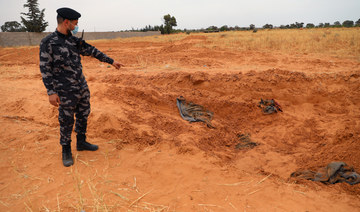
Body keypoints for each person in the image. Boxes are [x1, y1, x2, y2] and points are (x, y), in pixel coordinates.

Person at [39, 7, 124, 167]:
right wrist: (51, 92)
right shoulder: (48, 42)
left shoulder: (73, 40)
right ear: (66, 22)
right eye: (75, 23)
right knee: (66, 119)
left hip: (81, 86)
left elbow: (91, 50)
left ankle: (81, 142)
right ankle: (66, 150)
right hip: (64, 90)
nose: (76, 26)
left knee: (84, 113)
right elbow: (45, 68)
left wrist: (111, 61)